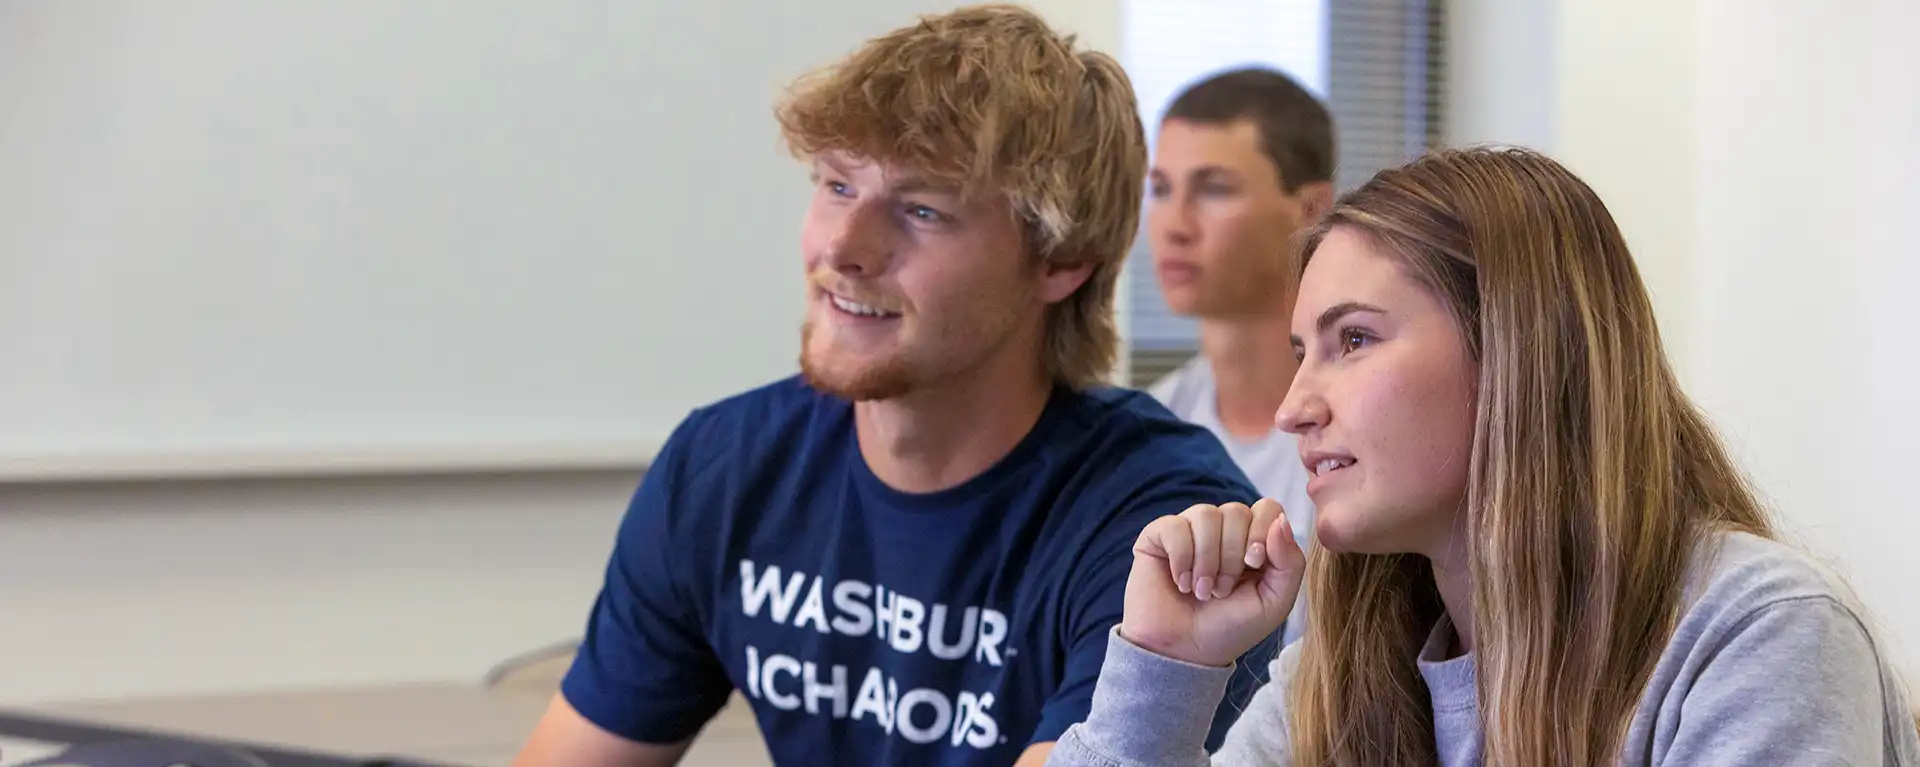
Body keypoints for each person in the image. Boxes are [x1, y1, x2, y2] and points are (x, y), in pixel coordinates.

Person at [511, 5, 1277, 767]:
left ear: (1059, 260)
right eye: (837, 186)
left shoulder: (1165, 531)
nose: (843, 248)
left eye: (920, 210)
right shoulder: (724, 468)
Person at [1047, 146, 1920, 765]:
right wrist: (1168, 661)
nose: (1293, 408)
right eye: (1301, 350)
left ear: (1518, 350)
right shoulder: (1344, 662)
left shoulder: (1761, 634)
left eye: (1354, 338)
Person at [1144, 67, 1335, 647]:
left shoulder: (1353, 436)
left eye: (1215, 188)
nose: (1174, 225)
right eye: (1160, 189)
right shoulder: (1152, 429)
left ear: (1310, 208)